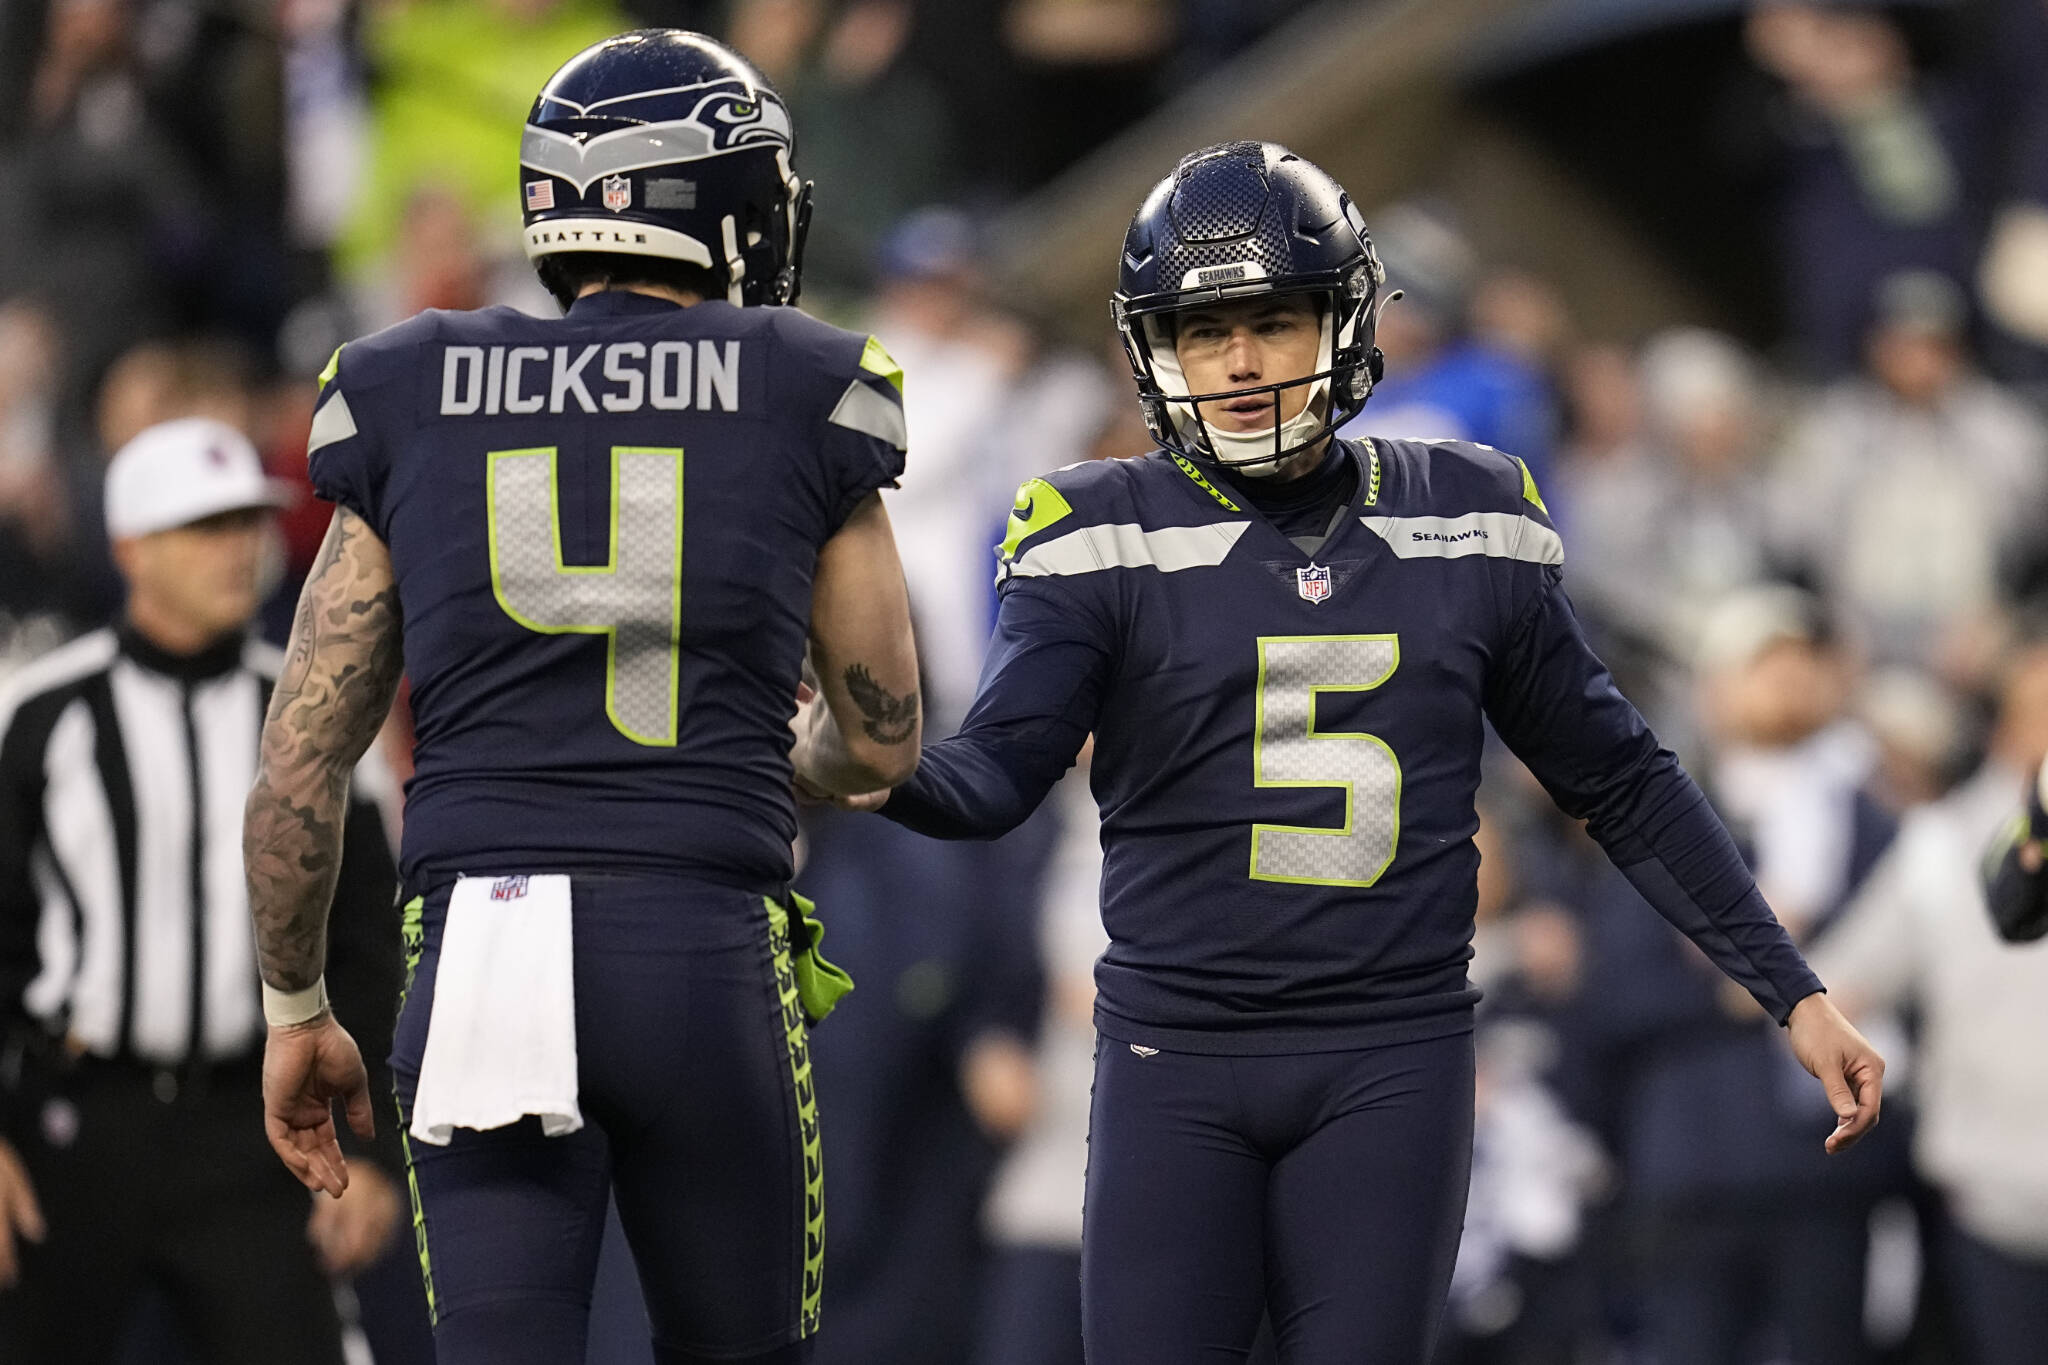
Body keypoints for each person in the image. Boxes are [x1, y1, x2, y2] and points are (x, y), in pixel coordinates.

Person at [793, 141, 1886, 1365]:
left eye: (1270, 320)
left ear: (1345, 319)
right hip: (1175, 1055)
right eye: (1206, 332)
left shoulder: (1464, 514)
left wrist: (1789, 987)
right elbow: (992, 775)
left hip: (1390, 1057)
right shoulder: (1095, 526)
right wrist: (866, 763)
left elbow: (1620, 780)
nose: (1243, 361)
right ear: (1158, 351)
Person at [240, 30, 922, 1365]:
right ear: (717, 195)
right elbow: (884, 724)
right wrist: (783, 764)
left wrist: (295, 1004)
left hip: (486, 939)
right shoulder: (801, 383)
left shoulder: (409, 382)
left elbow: (298, 770)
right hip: (701, 934)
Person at [0, 417, 405, 1363]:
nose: (238, 551)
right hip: (74, 1117)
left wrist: (377, 1156)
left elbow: (369, 951)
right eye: (205, 527)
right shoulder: (41, 713)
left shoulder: (320, 720)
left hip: (251, 1126)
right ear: (131, 548)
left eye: (246, 524)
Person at [1813, 637, 2048, 1365]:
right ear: (2009, 722)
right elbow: (1836, 986)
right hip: (1995, 1196)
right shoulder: (1942, 841)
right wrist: (1911, 1080)